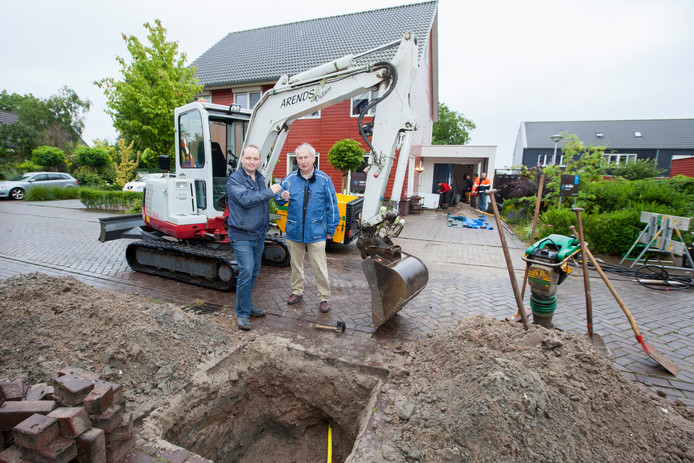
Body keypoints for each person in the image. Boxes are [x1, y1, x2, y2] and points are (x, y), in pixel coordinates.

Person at [277, 143, 340, 313]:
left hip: (317, 232)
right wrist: (281, 196)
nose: (303, 161)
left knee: (319, 266)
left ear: (313, 158)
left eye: (306, 157)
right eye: (300, 158)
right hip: (294, 231)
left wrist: (330, 230)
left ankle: (324, 297)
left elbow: (333, 206)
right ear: (296, 160)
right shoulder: (289, 179)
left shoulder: (324, 179)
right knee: (296, 264)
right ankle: (297, 291)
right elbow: (278, 199)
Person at [226, 145, 282, 330]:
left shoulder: (259, 178)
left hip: (258, 234)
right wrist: (270, 191)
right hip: (241, 234)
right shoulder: (235, 179)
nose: (252, 161)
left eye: (255, 159)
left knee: (255, 271)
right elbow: (246, 199)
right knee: (246, 271)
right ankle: (242, 314)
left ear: (260, 160)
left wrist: (279, 194)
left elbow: (262, 202)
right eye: (248, 158)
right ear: (242, 158)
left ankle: (248, 306)